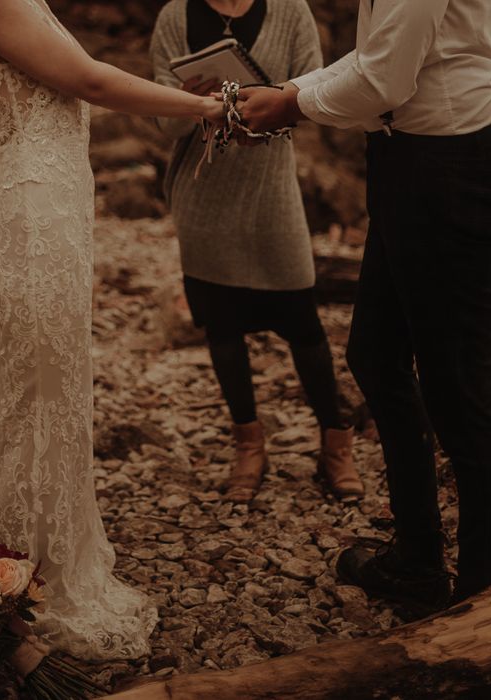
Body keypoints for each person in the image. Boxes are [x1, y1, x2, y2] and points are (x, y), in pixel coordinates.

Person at [0, 0, 224, 661]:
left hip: (37, 211)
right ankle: (28, 583)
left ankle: (12, 570)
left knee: (36, 393)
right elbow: (88, 79)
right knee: (37, 394)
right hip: (34, 219)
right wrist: (203, 107)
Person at [236, 0, 491, 613]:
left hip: (451, 169)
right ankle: (419, 559)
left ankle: (487, 601)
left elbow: (383, 79)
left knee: (459, 392)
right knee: (376, 354)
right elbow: (379, 57)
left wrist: (289, 102)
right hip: (407, 162)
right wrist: (294, 87)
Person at [150, 0, 365, 504]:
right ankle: (249, 444)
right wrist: (188, 102)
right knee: (221, 327)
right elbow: (164, 121)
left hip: (271, 191)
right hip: (203, 195)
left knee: (303, 324)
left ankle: (336, 444)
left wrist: (265, 113)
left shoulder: (291, 11)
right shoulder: (173, 17)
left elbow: (314, 92)